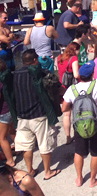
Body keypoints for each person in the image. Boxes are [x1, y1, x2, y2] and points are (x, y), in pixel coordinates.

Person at [62, 38, 97, 188]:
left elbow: (64, 108)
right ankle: (92, 179)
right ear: (92, 73)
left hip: (79, 124)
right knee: (95, 153)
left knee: (79, 152)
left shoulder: (72, 90)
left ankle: (79, 178)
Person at [0, 50, 61, 180]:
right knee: (45, 144)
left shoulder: (14, 75)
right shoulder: (40, 73)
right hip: (39, 115)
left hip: (22, 116)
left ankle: (30, 170)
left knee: (27, 146)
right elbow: (54, 87)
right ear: (34, 60)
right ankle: (47, 171)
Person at [0, 61, 15, 167]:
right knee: (12, 131)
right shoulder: (8, 77)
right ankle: (20, 149)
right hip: (10, 108)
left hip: (3, 111)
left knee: (2, 138)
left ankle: (10, 160)